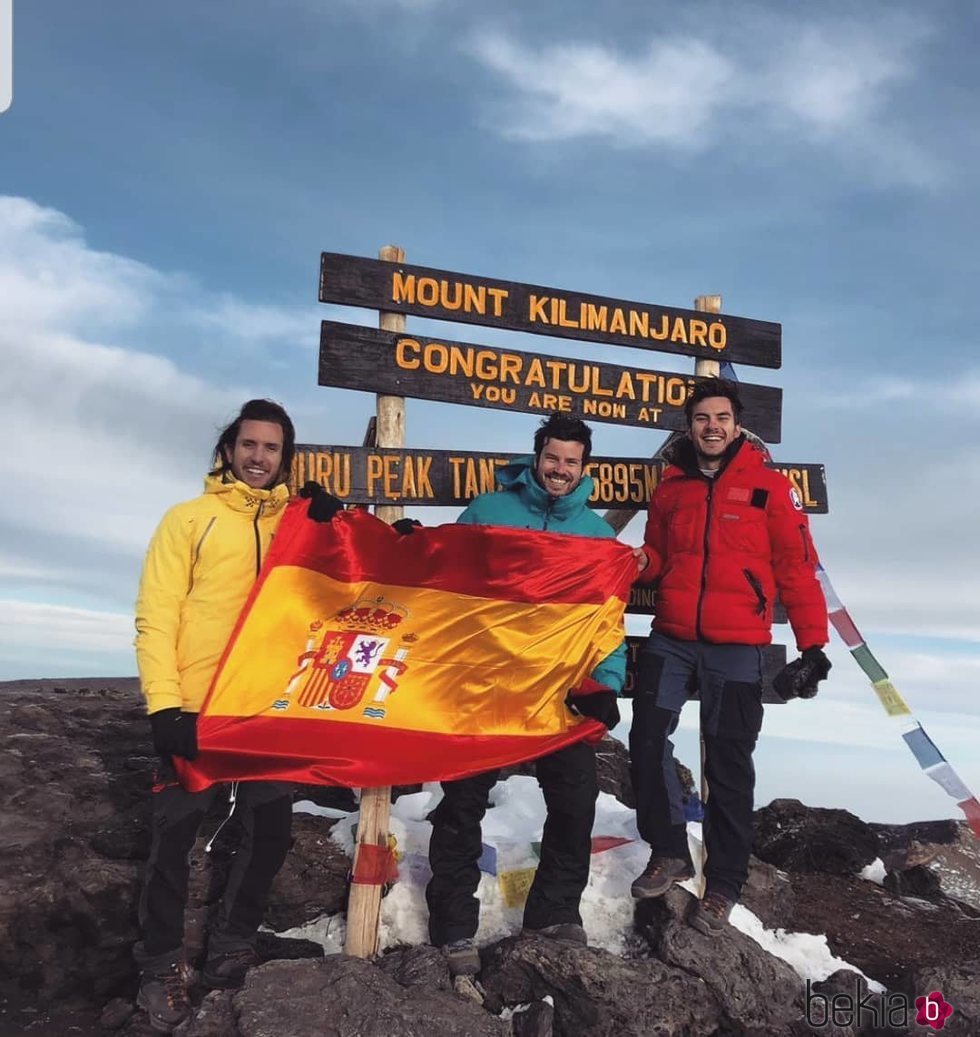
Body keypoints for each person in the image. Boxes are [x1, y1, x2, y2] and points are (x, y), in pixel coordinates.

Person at [425, 413, 638, 976]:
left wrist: (607, 685)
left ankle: (554, 914)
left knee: (574, 801)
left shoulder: (596, 536)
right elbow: (439, 575)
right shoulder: (489, 512)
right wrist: (405, 542)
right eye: (552, 457)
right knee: (461, 806)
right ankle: (452, 926)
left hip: (556, 696)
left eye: (571, 461)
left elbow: (607, 625)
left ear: (584, 468)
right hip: (482, 688)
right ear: (535, 457)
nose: (559, 469)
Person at [629, 378, 830, 936]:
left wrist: (814, 647)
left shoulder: (769, 487)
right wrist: (611, 563)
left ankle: (723, 885)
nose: (711, 426)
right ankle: (669, 851)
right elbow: (655, 557)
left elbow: (797, 569)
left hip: (739, 648)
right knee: (645, 742)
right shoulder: (670, 488)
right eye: (701, 418)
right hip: (671, 637)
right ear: (689, 426)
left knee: (730, 766)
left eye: (721, 417)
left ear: (736, 424)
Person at [133, 399, 297, 1032]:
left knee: (273, 832)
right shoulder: (189, 520)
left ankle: (231, 947)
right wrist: (164, 704)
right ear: (229, 449)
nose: (259, 458)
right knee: (173, 838)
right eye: (249, 445)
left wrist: (347, 527)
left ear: (286, 457)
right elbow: (157, 614)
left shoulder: (296, 526)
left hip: (267, 707)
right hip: (196, 708)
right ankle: (158, 967)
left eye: (272, 449)